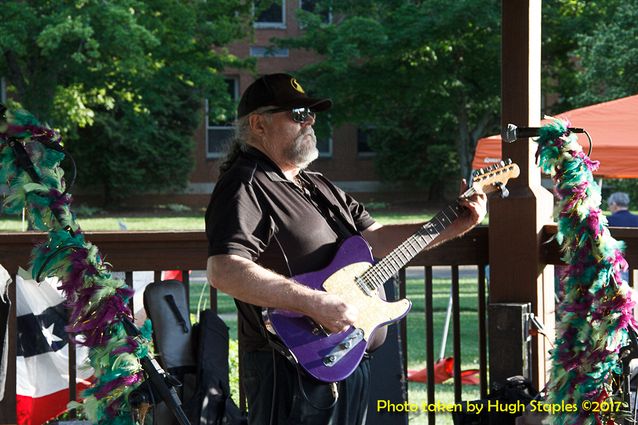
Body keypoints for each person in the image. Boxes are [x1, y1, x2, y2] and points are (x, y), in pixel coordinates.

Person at [205, 73, 487, 425]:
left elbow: (379, 240)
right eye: (296, 114)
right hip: (290, 369)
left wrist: (453, 223)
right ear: (258, 124)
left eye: (311, 113)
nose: (309, 120)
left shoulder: (317, 184)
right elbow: (225, 270)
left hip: (348, 360)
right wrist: (313, 302)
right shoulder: (244, 185)